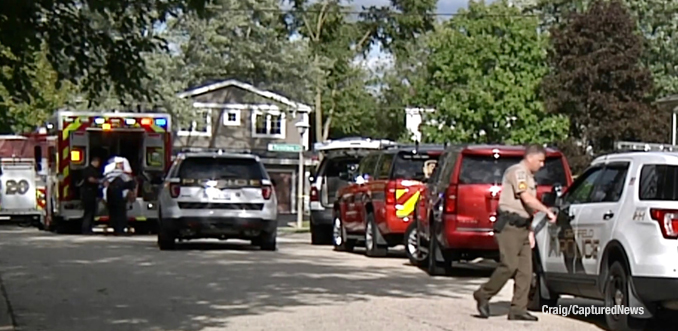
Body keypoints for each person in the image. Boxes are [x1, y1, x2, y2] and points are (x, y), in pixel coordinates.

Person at [473, 144, 557, 321]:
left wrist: (531, 229)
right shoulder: (518, 172)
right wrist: (546, 211)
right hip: (510, 227)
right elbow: (526, 198)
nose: (542, 165)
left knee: (526, 271)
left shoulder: (529, 176)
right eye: (540, 161)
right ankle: (483, 294)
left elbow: (526, 208)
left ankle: (518, 308)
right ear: (531, 158)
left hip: (523, 227)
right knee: (509, 265)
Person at [103, 157, 137, 235]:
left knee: (114, 213)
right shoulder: (122, 175)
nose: (121, 165)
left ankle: (116, 228)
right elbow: (130, 183)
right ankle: (119, 229)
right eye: (119, 164)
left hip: (112, 195)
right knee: (120, 213)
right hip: (117, 196)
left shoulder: (110, 174)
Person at [79, 156, 102, 234]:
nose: (98, 164)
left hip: (91, 194)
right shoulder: (89, 170)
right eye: (98, 162)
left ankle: (89, 228)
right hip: (88, 194)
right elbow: (90, 179)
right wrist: (99, 181)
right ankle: (86, 229)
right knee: (88, 213)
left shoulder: (93, 170)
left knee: (91, 213)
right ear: (95, 162)